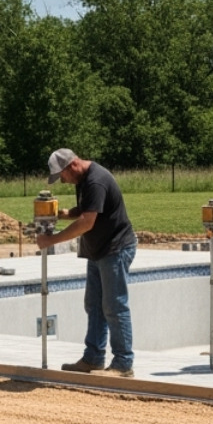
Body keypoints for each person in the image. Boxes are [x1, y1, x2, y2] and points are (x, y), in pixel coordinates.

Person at [38, 148, 138, 378]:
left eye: (62, 176)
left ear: (72, 165)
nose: (62, 181)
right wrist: (63, 213)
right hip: (98, 251)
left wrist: (51, 240)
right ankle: (93, 358)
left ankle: (123, 364)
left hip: (115, 249)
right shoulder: (82, 180)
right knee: (94, 305)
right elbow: (86, 208)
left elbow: (87, 222)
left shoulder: (96, 180)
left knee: (114, 306)